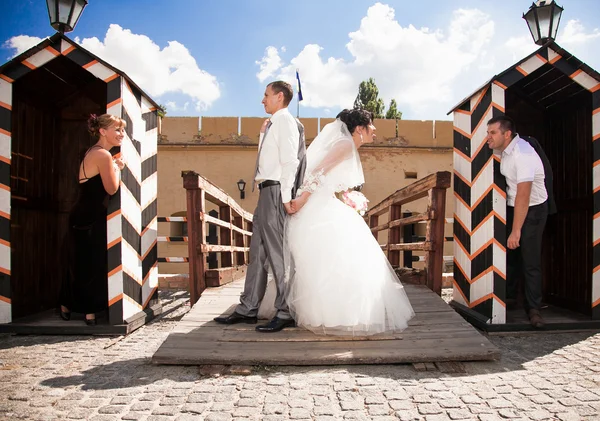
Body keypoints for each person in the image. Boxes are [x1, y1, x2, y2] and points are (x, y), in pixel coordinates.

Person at [281, 108, 415, 336]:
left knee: (333, 258)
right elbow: (317, 172)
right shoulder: (344, 145)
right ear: (359, 128)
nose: (374, 130)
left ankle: (331, 314)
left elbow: (328, 179)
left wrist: (347, 198)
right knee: (338, 256)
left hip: (323, 201)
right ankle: (331, 315)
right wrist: (302, 199)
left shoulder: (345, 145)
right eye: (371, 125)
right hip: (316, 206)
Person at [214, 81, 306, 333]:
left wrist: (285, 197)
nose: (262, 100)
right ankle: (248, 308)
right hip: (266, 192)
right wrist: (263, 135)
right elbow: (269, 160)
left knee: (278, 255)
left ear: (279, 97)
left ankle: (285, 311)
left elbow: (290, 161)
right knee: (258, 254)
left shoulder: (286, 120)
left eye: (266, 95)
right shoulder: (274, 124)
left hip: (276, 191)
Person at [59, 114, 125, 325]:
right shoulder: (104, 155)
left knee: (81, 262)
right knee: (91, 264)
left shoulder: (93, 152)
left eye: (122, 130)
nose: (121, 134)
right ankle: (88, 312)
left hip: (83, 213)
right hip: (90, 216)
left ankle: (68, 305)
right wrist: (118, 168)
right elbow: (112, 188)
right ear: (103, 131)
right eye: (117, 129)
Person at [486, 115, 548, 329]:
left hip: (533, 209)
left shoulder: (523, 153)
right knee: (509, 256)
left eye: (492, 133)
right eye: (487, 133)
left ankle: (534, 310)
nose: (488, 137)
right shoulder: (504, 151)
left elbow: (524, 194)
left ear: (507, 134)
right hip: (515, 207)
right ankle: (510, 299)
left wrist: (516, 231)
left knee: (529, 260)